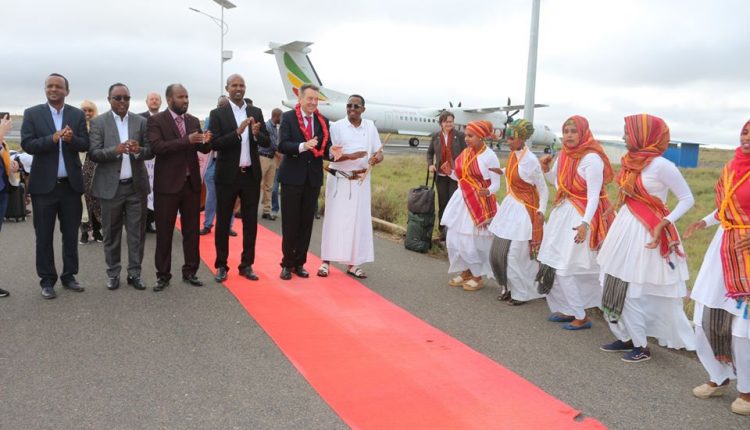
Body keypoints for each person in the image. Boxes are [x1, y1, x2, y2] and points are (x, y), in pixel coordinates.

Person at [597, 114, 695, 362]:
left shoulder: (662, 166)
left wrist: (666, 221)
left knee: (631, 289)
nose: (623, 137)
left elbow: (687, 199)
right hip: (624, 227)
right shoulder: (630, 162)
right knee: (610, 282)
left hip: (647, 232)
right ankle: (626, 337)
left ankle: (641, 346)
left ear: (643, 135)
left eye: (627, 133)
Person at [684, 119, 750, 415]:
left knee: (743, 329)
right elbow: (725, 206)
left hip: (746, 255)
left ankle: (747, 391)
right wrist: (705, 221)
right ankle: (719, 375)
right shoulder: (732, 167)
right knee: (703, 318)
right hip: (722, 249)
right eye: (745, 131)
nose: (747, 137)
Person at [536, 115, 614, 329]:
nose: (568, 136)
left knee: (566, 268)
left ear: (583, 133)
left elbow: (594, 196)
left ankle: (581, 315)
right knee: (554, 263)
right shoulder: (564, 154)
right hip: (563, 213)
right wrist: (546, 169)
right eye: (566, 131)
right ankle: (569, 309)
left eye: (573, 131)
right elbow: (559, 184)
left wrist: (585, 223)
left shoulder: (592, 158)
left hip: (582, 216)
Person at [20, 73, 89, 299]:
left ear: (67, 91)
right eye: (49, 86)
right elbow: (27, 144)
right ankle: (47, 280)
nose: (53, 89)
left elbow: (85, 144)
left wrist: (71, 140)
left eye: (58, 86)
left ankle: (69, 276)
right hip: (43, 188)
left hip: (70, 187)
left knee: (70, 235)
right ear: (45, 89)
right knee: (43, 237)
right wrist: (52, 138)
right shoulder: (32, 113)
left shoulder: (77, 115)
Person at [89, 83, 153, 291]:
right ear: (109, 100)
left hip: (136, 188)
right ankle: (113, 273)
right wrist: (115, 151)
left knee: (137, 235)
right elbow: (94, 153)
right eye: (118, 98)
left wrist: (138, 150)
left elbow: (150, 151)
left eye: (126, 98)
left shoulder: (140, 121)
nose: (123, 102)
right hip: (110, 189)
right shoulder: (98, 122)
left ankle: (134, 274)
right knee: (111, 234)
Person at [147, 84, 212, 291]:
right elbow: (157, 147)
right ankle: (163, 276)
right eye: (181, 97)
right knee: (164, 232)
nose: (185, 100)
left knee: (191, 232)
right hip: (167, 186)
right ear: (169, 100)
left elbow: (201, 148)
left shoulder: (192, 120)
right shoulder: (157, 120)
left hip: (190, 185)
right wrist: (186, 140)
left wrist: (206, 141)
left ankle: (190, 271)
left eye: (187, 96)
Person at [208, 74, 270, 283]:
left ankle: (246, 265)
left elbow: (266, 142)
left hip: (250, 175)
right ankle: (221, 265)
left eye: (241, 85)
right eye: (234, 85)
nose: (238, 88)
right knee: (223, 222)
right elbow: (214, 143)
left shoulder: (255, 112)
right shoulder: (218, 113)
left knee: (250, 223)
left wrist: (256, 134)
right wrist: (237, 132)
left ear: (245, 88)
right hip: (227, 176)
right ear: (227, 88)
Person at [317, 95, 383, 279]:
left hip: (361, 181)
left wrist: (376, 158)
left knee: (357, 223)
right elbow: (330, 156)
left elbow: (379, 152)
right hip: (339, 180)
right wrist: (352, 156)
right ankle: (325, 262)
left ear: (363, 109)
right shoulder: (336, 127)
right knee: (334, 221)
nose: (352, 109)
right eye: (349, 106)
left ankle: (353, 264)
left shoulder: (370, 127)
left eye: (356, 106)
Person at [488, 119, 548, 305]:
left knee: (514, 255)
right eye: (507, 138)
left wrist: (542, 210)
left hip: (525, 212)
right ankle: (508, 287)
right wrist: (502, 171)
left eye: (511, 138)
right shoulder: (514, 154)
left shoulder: (531, 161)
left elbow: (543, 188)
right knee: (499, 252)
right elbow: (515, 170)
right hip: (510, 209)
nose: (508, 142)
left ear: (522, 138)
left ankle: (521, 293)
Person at [277, 83, 331, 280]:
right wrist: (302, 146)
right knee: (290, 223)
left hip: (312, 179)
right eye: (310, 98)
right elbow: (282, 145)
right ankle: (287, 264)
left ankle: (300, 263)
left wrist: (333, 152)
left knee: (306, 224)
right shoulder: (288, 117)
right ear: (300, 99)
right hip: (292, 178)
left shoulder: (323, 121)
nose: (314, 103)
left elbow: (325, 148)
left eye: (316, 99)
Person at [441, 120, 500, 292]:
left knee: (471, 241)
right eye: (466, 135)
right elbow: (462, 178)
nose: (466, 139)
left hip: (479, 203)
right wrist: (450, 173)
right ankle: (465, 271)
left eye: (470, 136)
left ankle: (477, 276)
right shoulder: (466, 153)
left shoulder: (490, 156)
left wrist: (487, 191)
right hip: (461, 200)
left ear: (481, 136)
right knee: (455, 238)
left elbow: (496, 184)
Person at [200, 95, 236, 237]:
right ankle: (207, 225)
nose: (221, 108)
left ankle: (228, 226)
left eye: (224, 106)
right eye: (219, 105)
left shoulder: (235, 120)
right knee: (211, 196)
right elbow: (206, 140)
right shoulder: (210, 119)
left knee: (230, 197)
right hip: (213, 163)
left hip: (230, 164)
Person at [427, 111, 466, 241]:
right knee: (443, 203)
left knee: (453, 204)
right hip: (441, 176)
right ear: (441, 123)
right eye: (446, 122)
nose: (449, 124)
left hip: (455, 176)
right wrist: (430, 164)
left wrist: (460, 168)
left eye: (451, 121)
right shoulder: (436, 136)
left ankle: (453, 232)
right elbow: (430, 152)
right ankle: (442, 232)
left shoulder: (460, 136)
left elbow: (466, 153)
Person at [0, 113, 21, 297]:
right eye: (6, 121)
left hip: (3, 190)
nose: (9, 124)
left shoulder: (4, 142)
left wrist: (11, 165)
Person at [79, 100, 103, 244]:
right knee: (83, 201)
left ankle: (97, 230)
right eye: (84, 110)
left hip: (97, 166)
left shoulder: (99, 127)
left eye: (90, 110)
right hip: (81, 166)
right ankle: (84, 232)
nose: (87, 113)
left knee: (97, 199)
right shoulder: (76, 126)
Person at [139, 91, 162, 233]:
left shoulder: (165, 117)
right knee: (145, 190)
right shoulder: (139, 118)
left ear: (161, 102)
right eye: (151, 99)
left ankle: (153, 220)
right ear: (146, 102)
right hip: (145, 160)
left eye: (156, 99)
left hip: (160, 160)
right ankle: (144, 222)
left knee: (157, 189)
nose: (154, 101)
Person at [260, 108, 282, 220]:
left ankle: (266, 211)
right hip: (263, 157)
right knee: (257, 184)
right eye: (281, 117)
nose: (282, 120)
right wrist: (283, 151)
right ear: (276, 116)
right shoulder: (267, 126)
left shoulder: (275, 127)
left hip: (272, 158)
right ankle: (242, 209)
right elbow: (273, 143)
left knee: (269, 186)